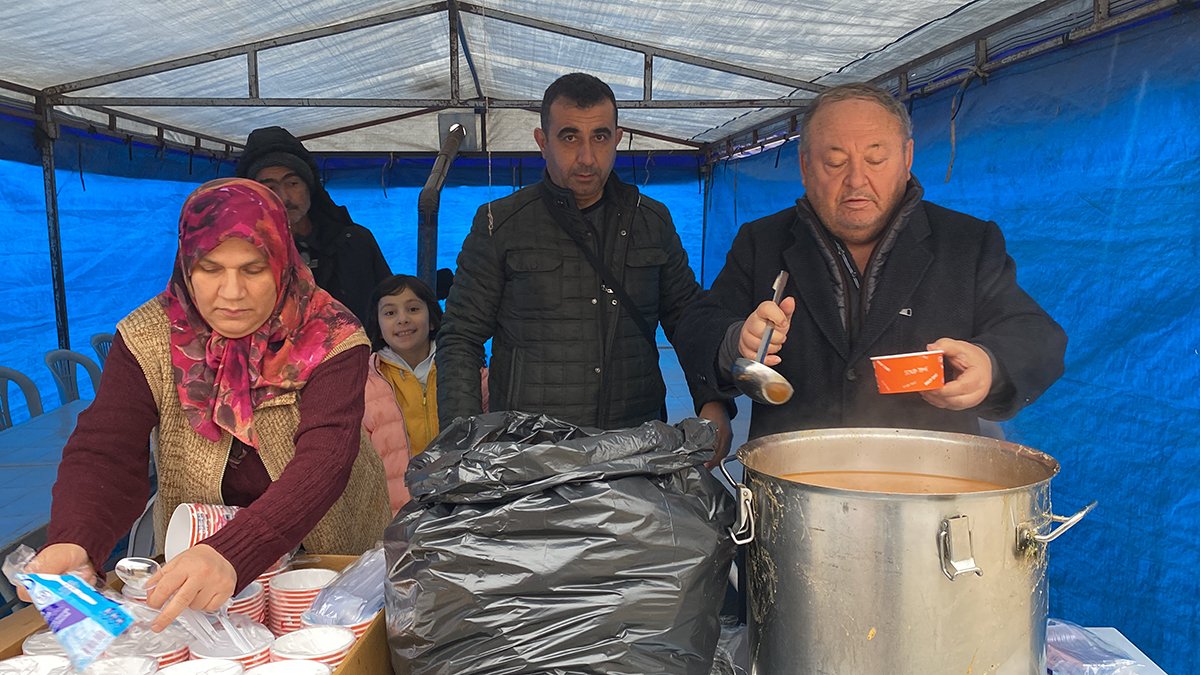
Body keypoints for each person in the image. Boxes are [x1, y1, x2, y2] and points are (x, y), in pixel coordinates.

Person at [20, 178, 391, 630]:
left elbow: (326, 458)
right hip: (198, 550)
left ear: (282, 263)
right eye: (210, 268)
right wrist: (76, 538)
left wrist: (236, 550)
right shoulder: (148, 337)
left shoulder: (330, 334)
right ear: (186, 265)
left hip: (326, 546)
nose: (231, 292)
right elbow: (107, 448)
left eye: (253, 269)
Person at [676, 82, 1066, 440]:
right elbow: (699, 326)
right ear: (805, 167)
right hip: (790, 477)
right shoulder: (762, 241)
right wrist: (735, 340)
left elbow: (1034, 334)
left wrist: (990, 365)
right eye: (835, 162)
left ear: (907, 158)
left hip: (929, 479)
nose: (857, 180)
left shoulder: (967, 242)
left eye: (876, 159)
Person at [436, 72, 731, 461]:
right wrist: (463, 443)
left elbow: (688, 317)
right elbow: (460, 337)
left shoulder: (651, 221)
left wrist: (713, 399)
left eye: (600, 137)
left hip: (634, 448)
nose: (587, 157)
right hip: (533, 456)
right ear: (543, 142)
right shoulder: (501, 224)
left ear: (618, 138)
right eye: (570, 137)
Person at [235, 125, 392, 323]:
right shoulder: (244, 255)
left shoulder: (355, 242)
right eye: (270, 187)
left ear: (309, 187)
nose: (284, 197)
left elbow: (391, 306)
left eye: (292, 183)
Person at [362, 274, 488, 514]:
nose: (402, 319)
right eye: (390, 313)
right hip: (393, 516)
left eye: (413, 309)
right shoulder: (364, 385)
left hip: (463, 511)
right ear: (377, 325)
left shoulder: (468, 372)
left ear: (431, 319)